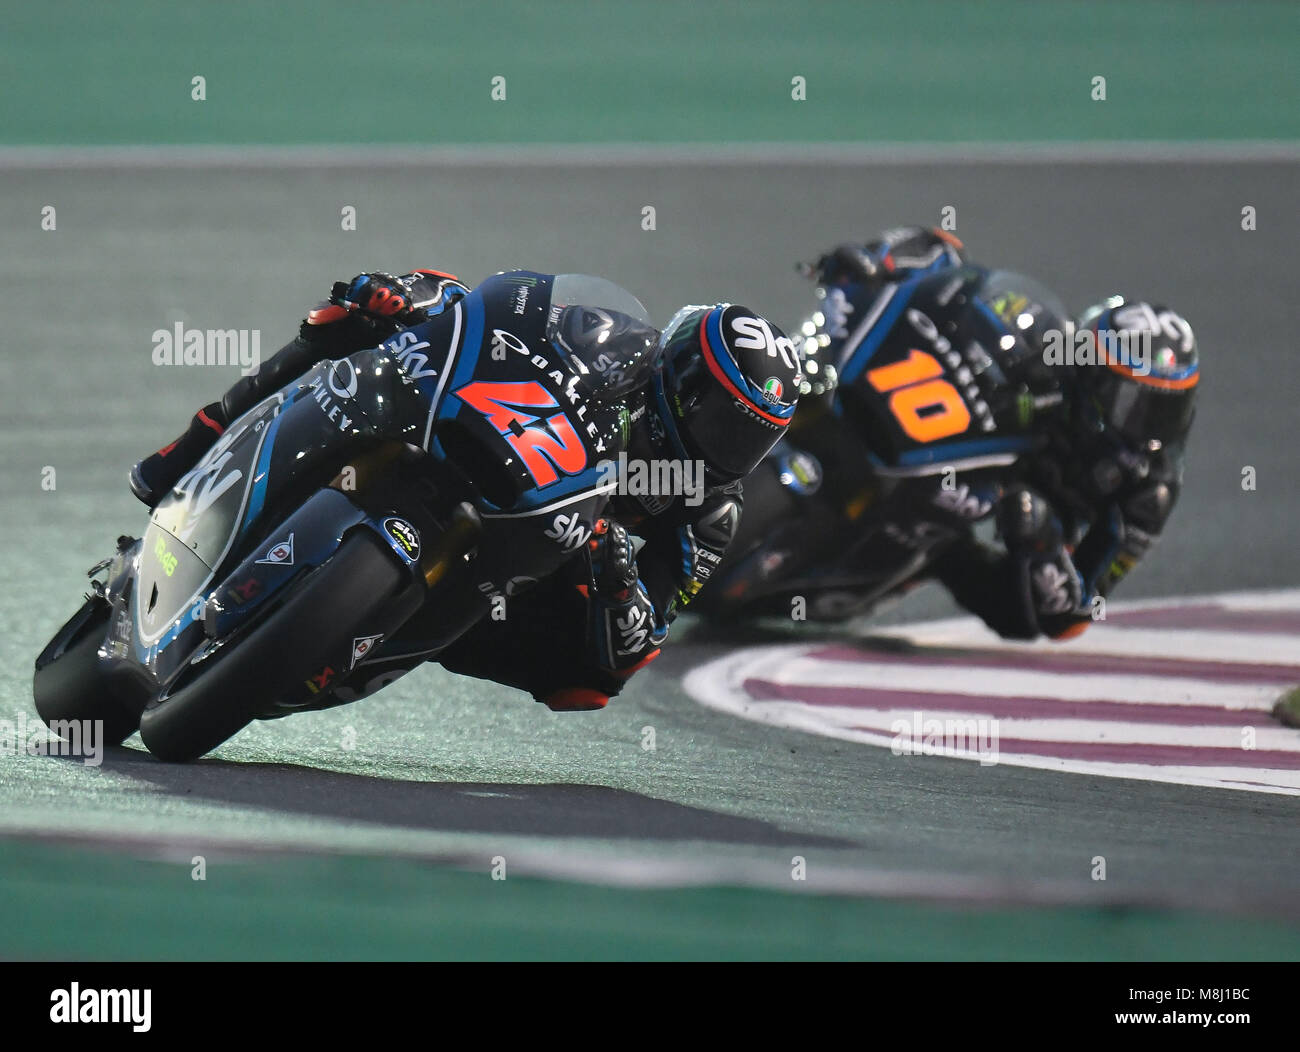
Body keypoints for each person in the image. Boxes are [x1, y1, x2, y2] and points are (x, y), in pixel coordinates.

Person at [131, 268, 803, 708]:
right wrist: (428, 296)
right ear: (680, 376)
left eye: (750, 440)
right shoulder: (616, 341)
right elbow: (501, 313)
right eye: (721, 422)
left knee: (586, 686)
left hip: (520, 577)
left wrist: (619, 576)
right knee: (353, 319)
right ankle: (190, 447)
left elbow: (634, 648)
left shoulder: (707, 511)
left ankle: (356, 633)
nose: (729, 450)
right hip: (484, 437)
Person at [705, 226, 1198, 640]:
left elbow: (1071, 617)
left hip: (999, 520)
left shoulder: (1147, 494)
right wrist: (884, 262)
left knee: (1001, 602)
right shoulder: (1052, 362)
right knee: (802, 372)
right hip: (943, 439)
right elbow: (953, 278)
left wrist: (1042, 543)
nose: (1146, 426)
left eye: (1164, 408)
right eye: (1132, 402)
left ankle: (879, 567)